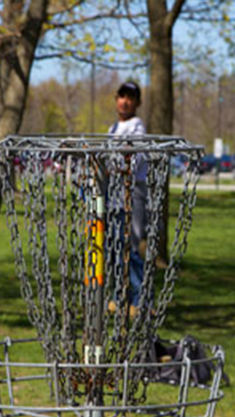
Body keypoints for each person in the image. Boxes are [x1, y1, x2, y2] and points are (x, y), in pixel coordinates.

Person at [109, 81, 146, 309]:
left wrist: (119, 162)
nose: (125, 101)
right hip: (114, 190)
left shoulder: (137, 127)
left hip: (133, 190)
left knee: (131, 246)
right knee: (114, 245)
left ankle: (140, 300)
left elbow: (133, 158)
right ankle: (118, 296)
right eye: (122, 96)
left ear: (137, 102)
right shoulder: (112, 129)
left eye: (130, 97)